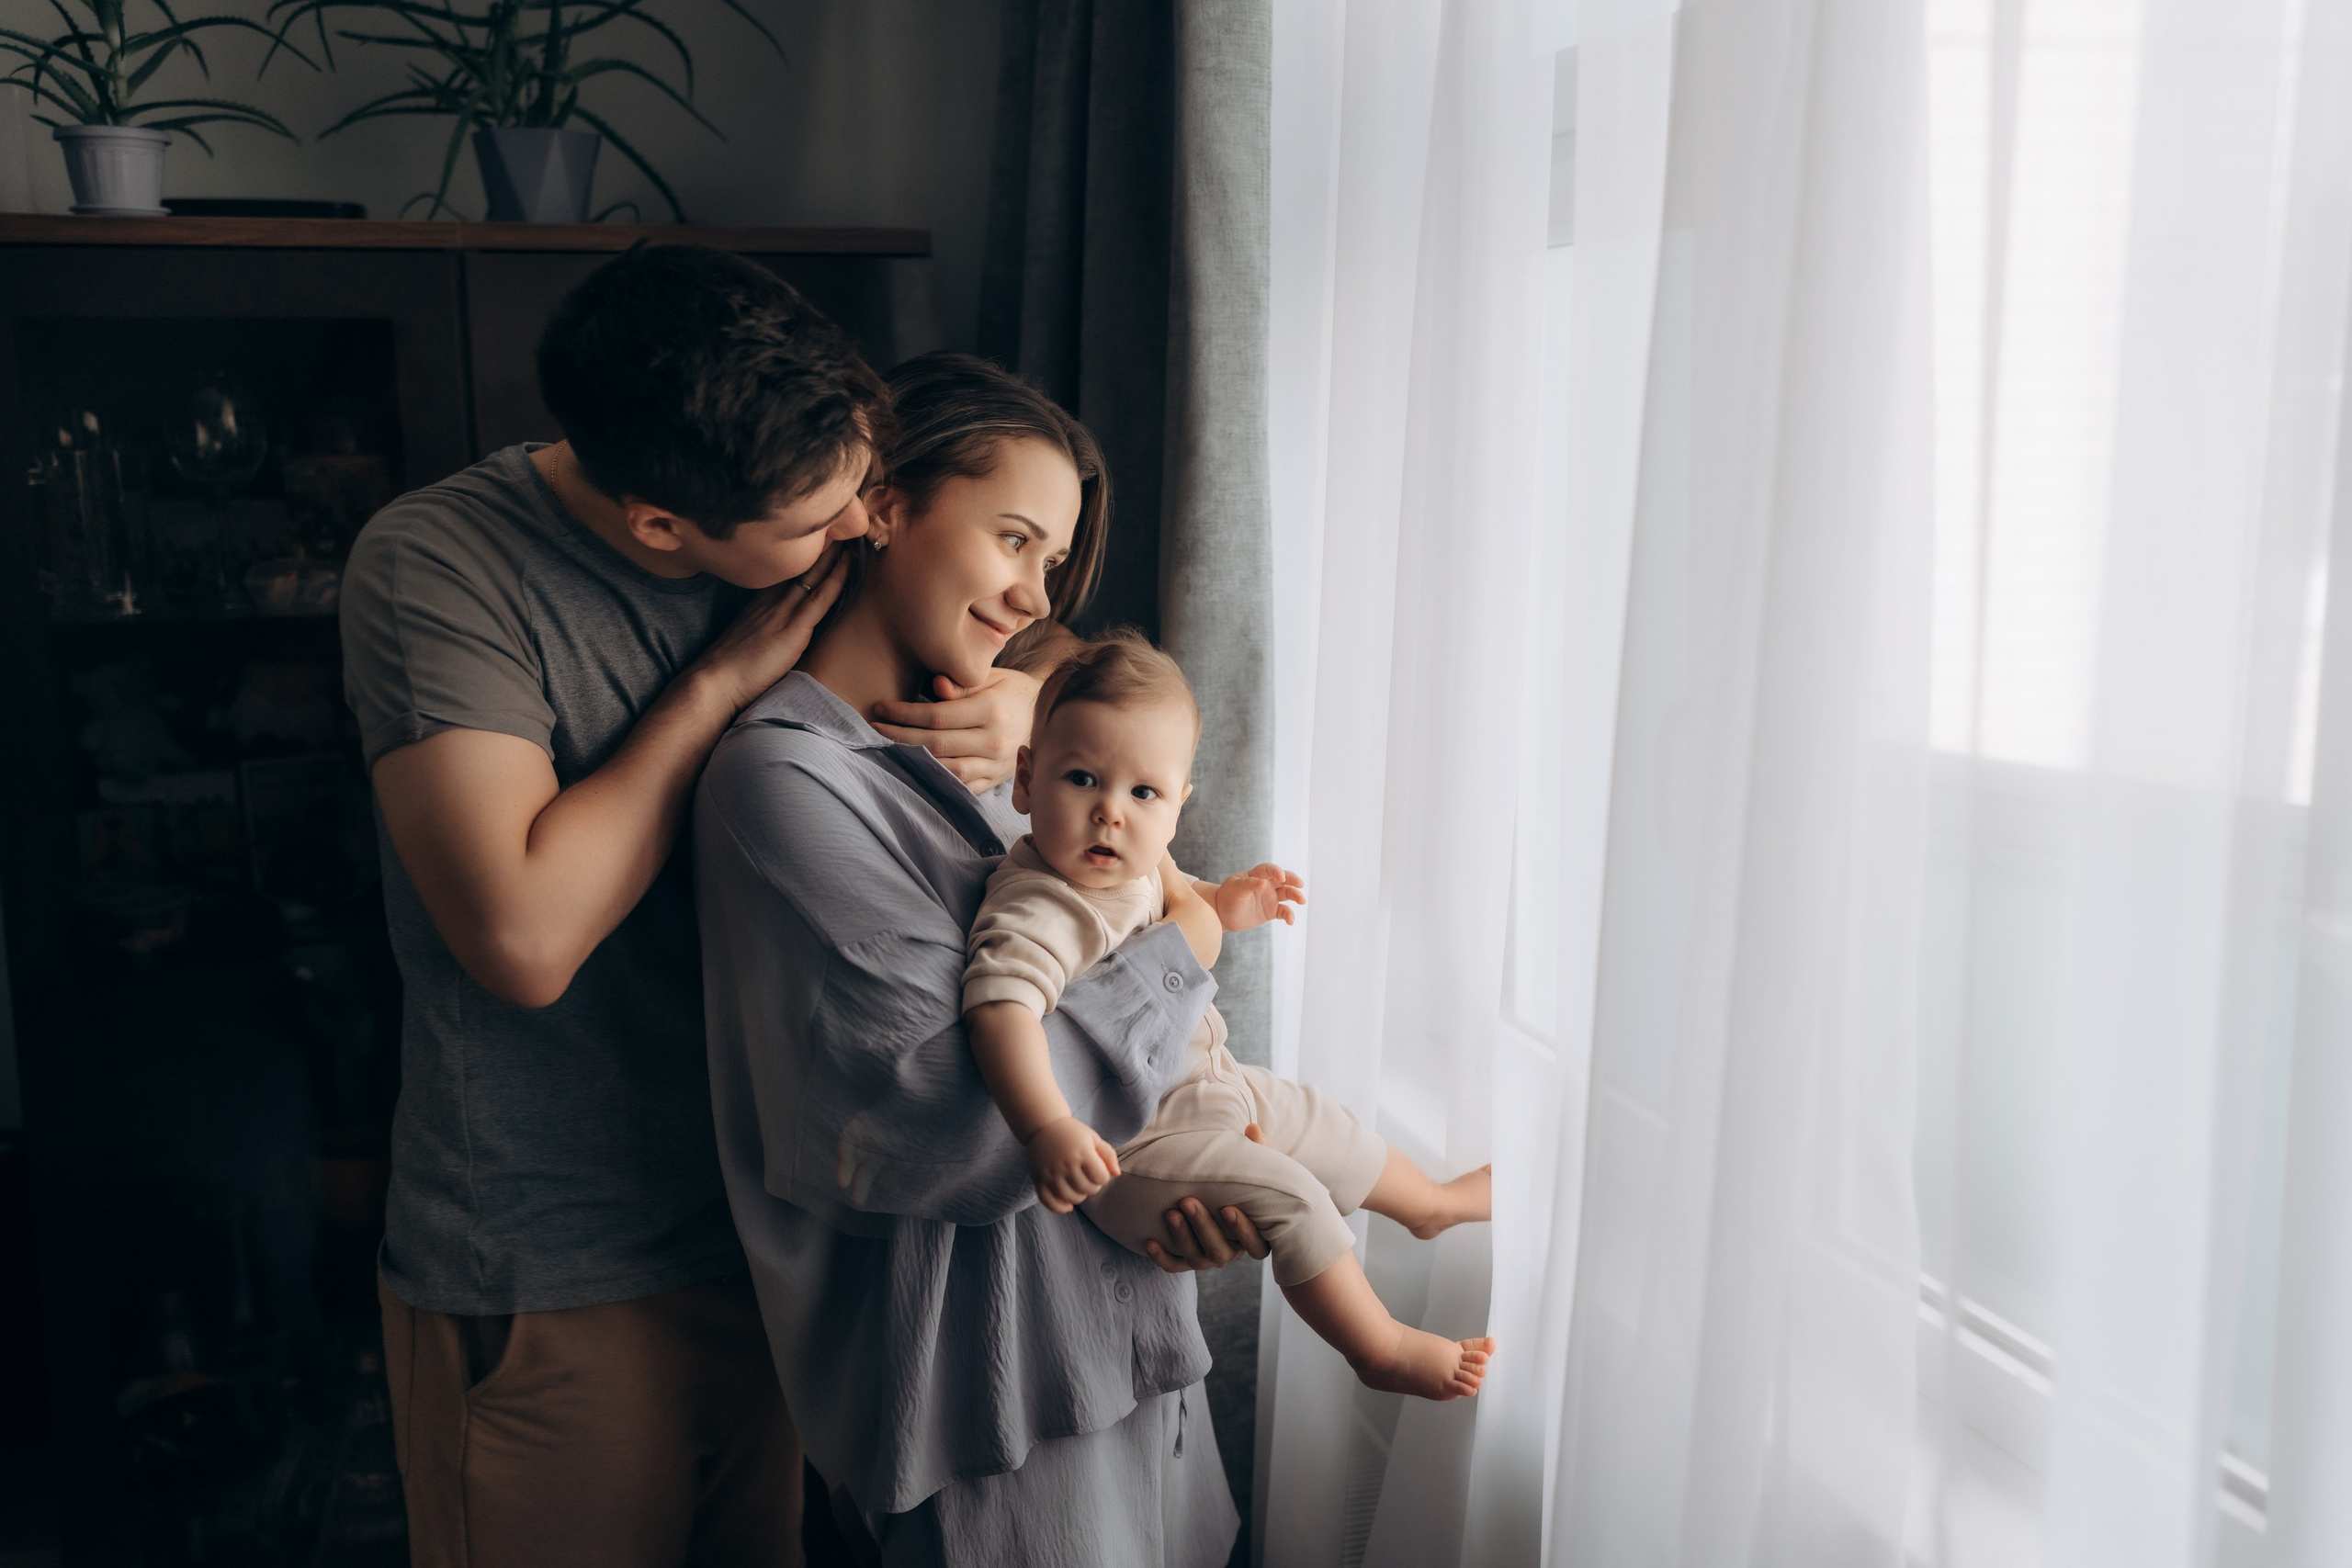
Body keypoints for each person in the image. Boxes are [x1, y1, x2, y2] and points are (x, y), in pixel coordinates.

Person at [341, 247, 1040, 1565]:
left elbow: (1014, 607)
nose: (860, 527)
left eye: (865, 483)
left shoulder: (807, 478)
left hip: (785, 1230)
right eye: (821, 519)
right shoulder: (441, 563)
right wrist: (717, 689)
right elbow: (522, 938)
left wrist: (1032, 694)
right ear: (662, 525)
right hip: (562, 1262)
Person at [697, 354, 1266, 1567]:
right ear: (883, 505)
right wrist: (1192, 944)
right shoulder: (781, 779)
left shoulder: (1032, 750)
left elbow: (1122, 943)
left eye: (1050, 562)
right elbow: (954, 1120)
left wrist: (1178, 1177)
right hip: (988, 1409)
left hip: (1128, 1335)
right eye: (1013, 539)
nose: (1028, 591)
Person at [963, 631, 1496, 1402]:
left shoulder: (1135, 860)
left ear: (1178, 806)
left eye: (1143, 793)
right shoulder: (1041, 904)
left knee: (1326, 1123)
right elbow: (999, 1010)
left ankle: (1431, 1204)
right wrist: (1045, 1126)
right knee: (1291, 1193)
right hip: (1141, 1146)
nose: (1110, 811)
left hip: (1213, 1086)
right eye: (1081, 779)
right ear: (1025, 780)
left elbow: (1175, 899)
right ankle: (1379, 1347)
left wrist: (1227, 903)